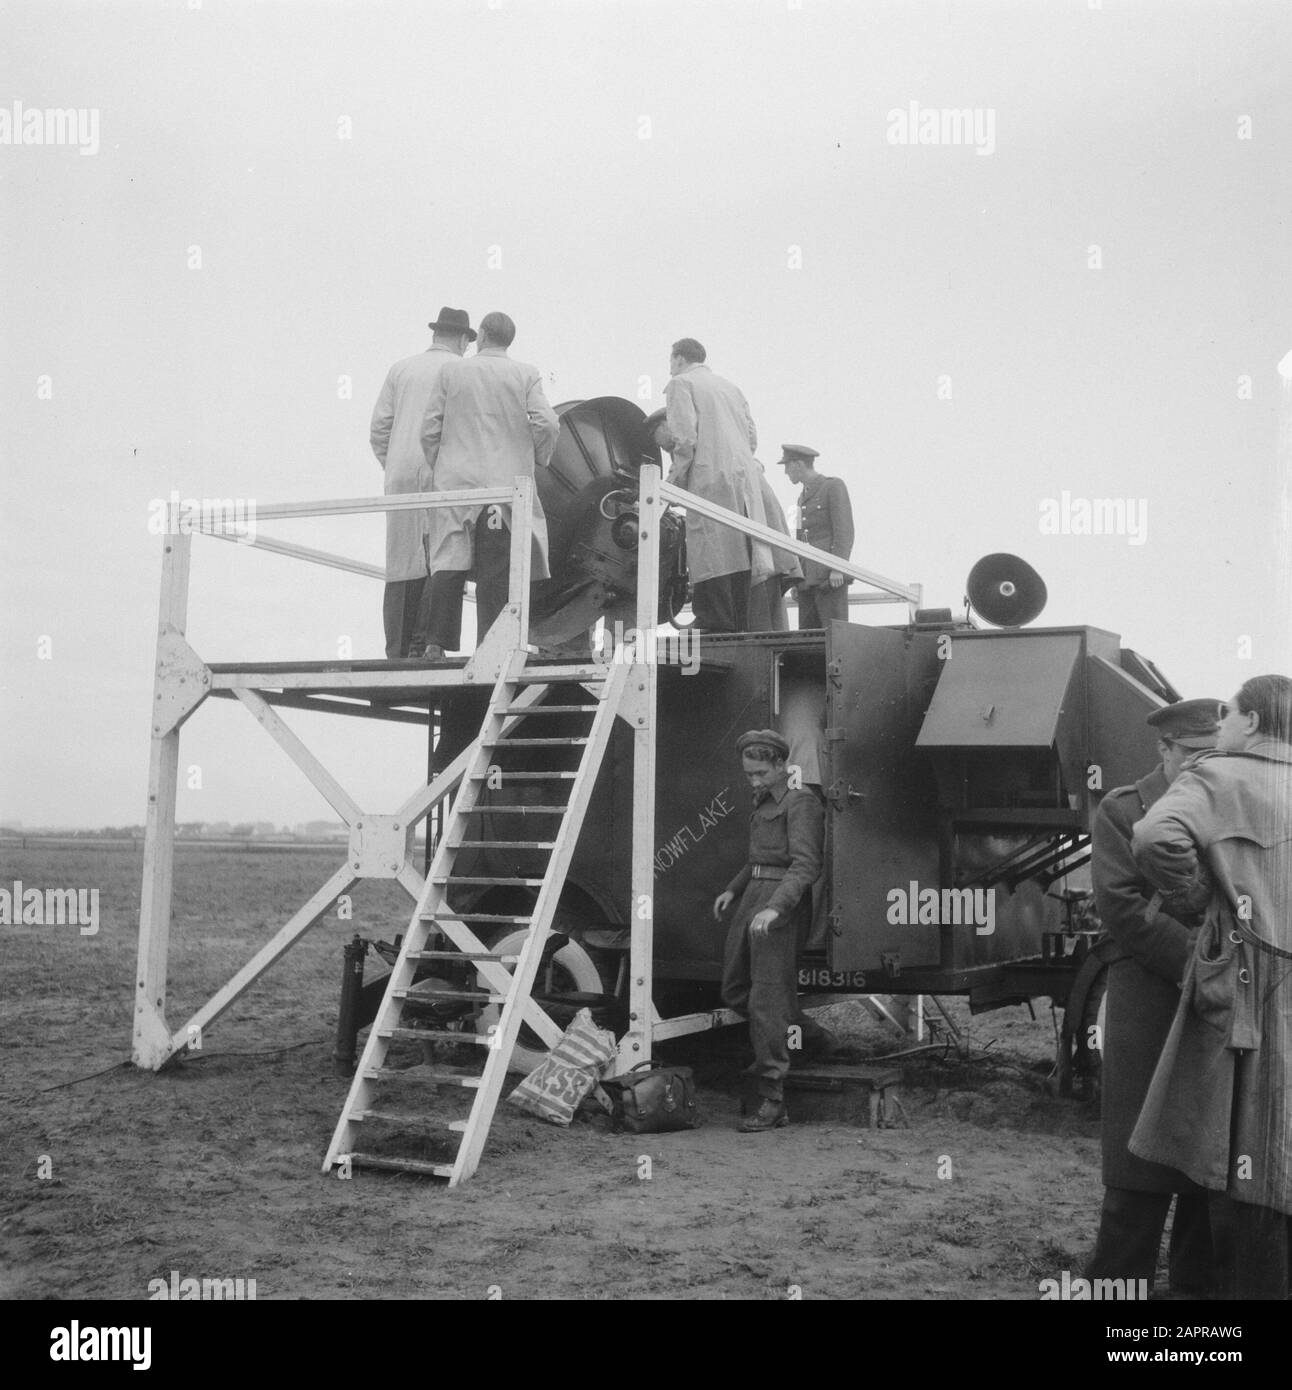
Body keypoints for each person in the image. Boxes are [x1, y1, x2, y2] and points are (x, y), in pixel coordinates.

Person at [1131, 674, 1292, 1299]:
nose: (1219, 727)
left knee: (1235, 1157)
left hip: (1248, 993)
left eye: (1227, 714)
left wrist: (1202, 900)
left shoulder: (1217, 777)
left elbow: (1153, 836)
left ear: (1250, 722)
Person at [1085, 697, 1221, 1296]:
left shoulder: (1225, 801)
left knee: (1205, 1167)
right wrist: (1200, 960)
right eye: (1191, 754)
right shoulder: (1122, 809)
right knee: (1136, 1173)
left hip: (1213, 1001)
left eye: (1212, 754)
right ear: (1162, 750)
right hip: (1149, 992)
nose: (1201, 766)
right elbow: (1121, 906)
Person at [419, 312, 560, 655]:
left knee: (448, 559)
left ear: (481, 335)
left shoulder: (451, 371)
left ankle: (436, 644)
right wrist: (539, 459)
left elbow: (429, 428)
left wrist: (440, 463)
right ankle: (489, 648)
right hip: (503, 489)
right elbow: (548, 423)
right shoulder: (525, 373)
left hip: (457, 484)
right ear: (508, 340)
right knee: (497, 567)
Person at [712, 730, 827, 1132]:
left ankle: (772, 1099)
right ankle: (802, 1032)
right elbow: (756, 859)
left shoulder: (802, 803)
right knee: (734, 989)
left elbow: (806, 866)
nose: (755, 781)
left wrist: (777, 908)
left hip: (781, 907)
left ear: (782, 765)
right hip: (751, 902)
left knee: (766, 1001)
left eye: (761, 773)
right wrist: (733, 888)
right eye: (749, 775)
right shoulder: (761, 804)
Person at [369, 306, 474, 658]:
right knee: (442, 556)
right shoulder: (462, 369)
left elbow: (379, 429)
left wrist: (395, 465)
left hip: (399, 475)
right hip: (443, 473)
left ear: (435, 334)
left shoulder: (400, 369)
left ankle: (397, 649)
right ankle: (426, 644)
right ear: (462, 339)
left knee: (401, 561)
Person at [663, 338, 761, 633]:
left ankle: (714, 622)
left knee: (710, 550)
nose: (670, 368)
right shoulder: (731, 388)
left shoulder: (681, 384)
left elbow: (685, 439)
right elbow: (752, 438)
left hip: (708, 478)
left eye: (670, 360)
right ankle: (738, 622)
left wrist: (673, 485)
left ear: (679, 359)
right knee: (740, 550)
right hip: (743, 479)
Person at [779, 446, 854, 629]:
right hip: (807, 579)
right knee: (808, 638)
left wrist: (838, 567)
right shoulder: (801, 498)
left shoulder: (833, 486)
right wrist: (796, 579)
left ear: (797, 464)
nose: (786, 472)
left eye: (787, 466)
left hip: (829, 578)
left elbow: (844, 530)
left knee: (834, 634)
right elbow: (800, 541)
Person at [748, 461, 802, 631]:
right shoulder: (760, 486)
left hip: (764, 563)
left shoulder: (753, 486)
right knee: (772, 619)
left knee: (761, 624)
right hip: (771, 561)